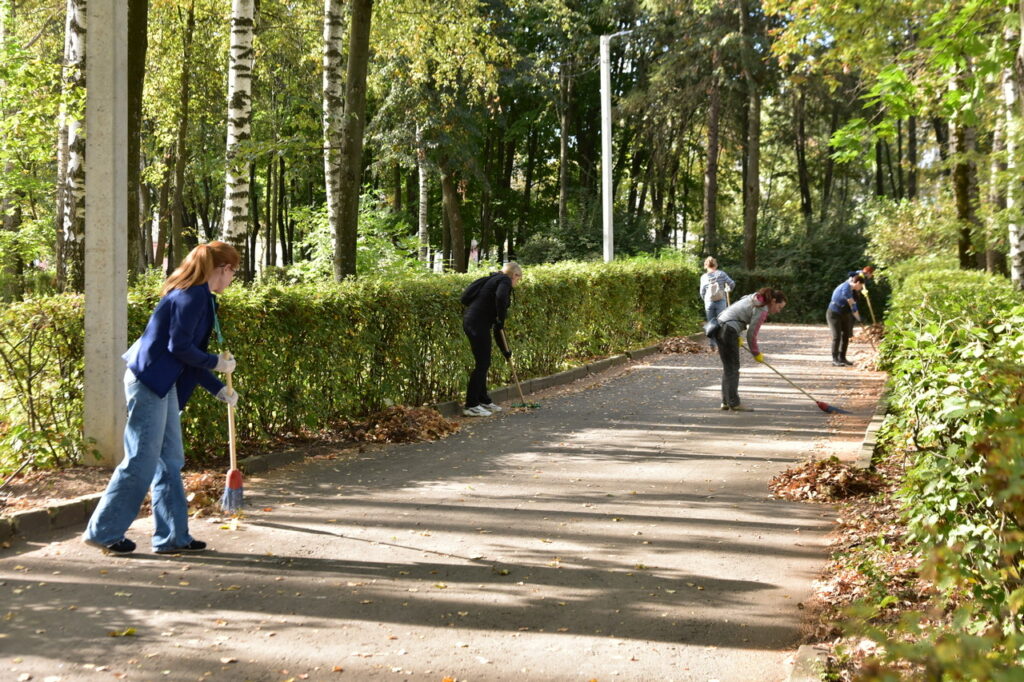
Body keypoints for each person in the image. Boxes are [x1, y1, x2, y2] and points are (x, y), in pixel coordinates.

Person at [83, 241, 241, 555]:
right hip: (149, 380)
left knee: (169, 460)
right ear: (223, 269)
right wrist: (216, 363)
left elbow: (187, 356)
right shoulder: (192, 297)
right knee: (141, 460)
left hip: (163, 381)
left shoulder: (202, 299)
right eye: (234, 271)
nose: (233, 278)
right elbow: (180, 349)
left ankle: (173, 537)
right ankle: (104, 531)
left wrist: (218, 388)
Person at [462, 262, 522, 417]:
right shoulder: (504, 281)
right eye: (518, 279)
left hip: (475, 321)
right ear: (514, 275)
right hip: (476, 323)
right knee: (482, 363)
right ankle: (471, 405)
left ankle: (483, 400)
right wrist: (501, 317)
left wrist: (505, 351)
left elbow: (498, 329)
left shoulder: (495, 279)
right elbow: (501, 298)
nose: (516, 283)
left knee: (484, 362)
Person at [715, 287, 787, 412]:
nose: (778, 311)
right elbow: (752, 334)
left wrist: (736, 335)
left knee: (729, 367)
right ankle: (734, 403)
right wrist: (756, 353)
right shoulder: (762, 308)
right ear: (774, 301)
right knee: (733, 368)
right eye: (779, 307)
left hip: (720, 326)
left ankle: (726, 402)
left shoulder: (753, 298)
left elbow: (737, 312)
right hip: (728, 329)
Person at [827, 273, 865, 367]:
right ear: (858, 283)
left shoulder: (854, 290)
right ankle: (835, 359)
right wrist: (858, 318)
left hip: (845, 314)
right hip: (834, 314)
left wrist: (858, 318)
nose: (861, 288)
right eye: (861, 286)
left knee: (846, 335)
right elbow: (851, 304)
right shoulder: (846, 288)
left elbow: (854, 305)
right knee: (837, 336)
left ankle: (842, 357)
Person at [698, 257, 735, 350]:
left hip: (709, 302)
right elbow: (732, 283)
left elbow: (702, 292)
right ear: (716, 265)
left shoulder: (704, 277)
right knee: (721, 323)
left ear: (706, 266)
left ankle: (712, 344)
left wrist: (706, 300)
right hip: (721, 301)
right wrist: (728, 290)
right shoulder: (721, 274)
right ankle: (721, 345)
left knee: (711, 323)